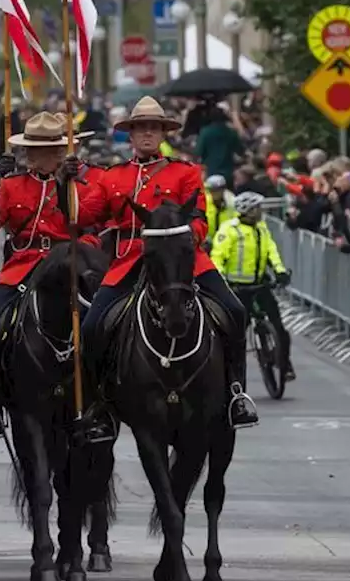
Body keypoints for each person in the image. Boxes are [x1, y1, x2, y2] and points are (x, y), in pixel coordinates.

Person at [79, 96, 256, 440]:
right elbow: (85, 217)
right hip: (130, 261)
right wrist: (66, 182)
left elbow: (201, 220)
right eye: (140, 128)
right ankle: (100, 405)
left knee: (235, 311)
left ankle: (236, 394)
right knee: (91, 327)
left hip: (180, 261)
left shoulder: (185, 172)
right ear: (130, 135)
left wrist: (183, 240)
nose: (146, 133)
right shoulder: (112, 176)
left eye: (153, 127)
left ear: (162, 133)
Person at [0, 112, 104, 438]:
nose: (47, 157)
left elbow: (88, 227)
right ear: (27, 154)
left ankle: (105, 396)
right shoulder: (12, 185)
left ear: (63, 152)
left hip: (69, 264)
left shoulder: (83, 183)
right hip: (25, 264)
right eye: (38, 150)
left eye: (54, 150)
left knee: (101, 321)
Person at [210, 190, 294, 381]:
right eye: (257, 208)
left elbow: (271, 250)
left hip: (259, 285)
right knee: (234, 333)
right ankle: (228, 371)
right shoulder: (229, 230)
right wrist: (221, 278)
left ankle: (284, 363)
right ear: (247, 210)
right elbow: (218, 256)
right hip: (238, 288)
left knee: (279, 327)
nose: (261, 211)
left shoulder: (261, 228)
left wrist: (279, 270)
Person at [203, 174, 236, 245]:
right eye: (212, 190)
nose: (214, 193)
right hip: (207, 241)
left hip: (226, 240)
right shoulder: (204, 202)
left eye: (217, 190)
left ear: (223, 189)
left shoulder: (231, 202)